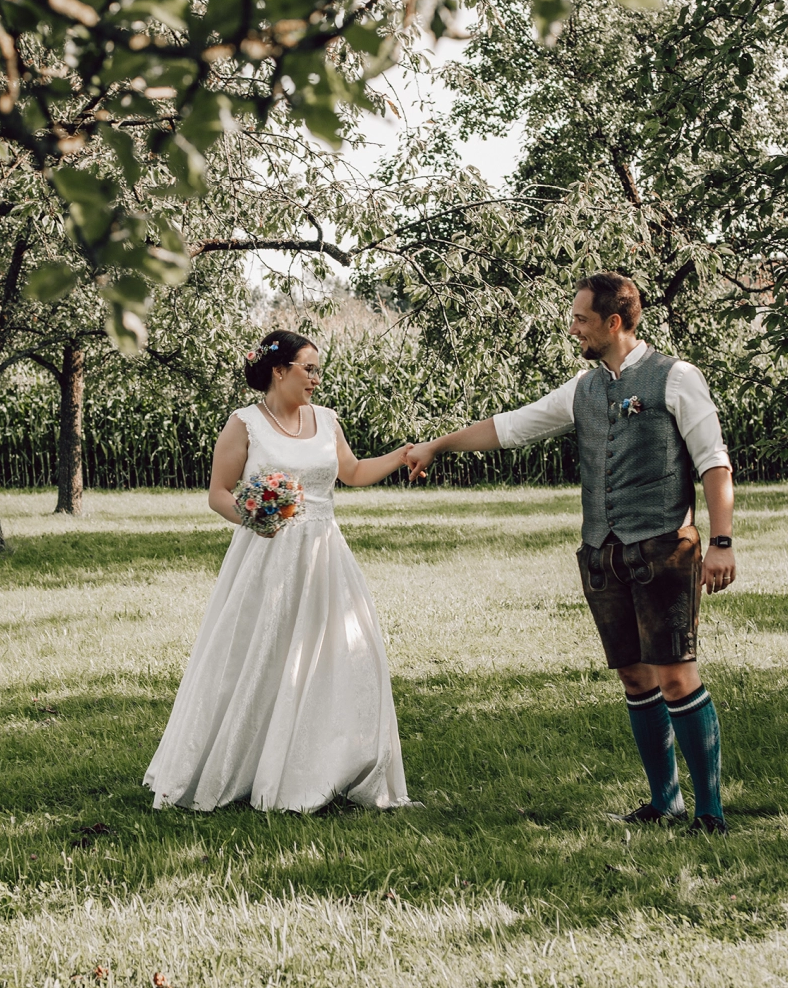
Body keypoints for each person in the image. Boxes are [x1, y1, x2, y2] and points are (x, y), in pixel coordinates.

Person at [404, 273, 736, 835]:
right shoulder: (581, 389)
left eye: (580, 318)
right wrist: (438, 444)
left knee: (677, 676)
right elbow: (510, 427)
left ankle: (711, 813)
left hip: (663, 548)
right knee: (635, 678)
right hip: (602, 555)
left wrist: (722, 542)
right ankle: (665, 802)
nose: (572, 327)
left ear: (613, 322)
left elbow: (714, 463)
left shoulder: (676, 379)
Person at [144, 330, 417, 812]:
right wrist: (255, 517)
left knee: (335, 653)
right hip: (267, 556)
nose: (316, 378)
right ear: (278, 370)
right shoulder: (245, 424)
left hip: (325, 555)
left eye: (317, 369)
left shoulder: (327, 420)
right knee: (260, 655)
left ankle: (326, 765)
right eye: (308, 368)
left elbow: (350, 473)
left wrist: (401, 456)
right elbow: (219, 493)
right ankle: (245, 763)